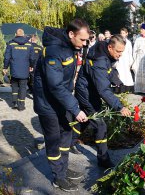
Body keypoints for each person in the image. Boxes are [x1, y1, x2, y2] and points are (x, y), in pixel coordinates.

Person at [33, 18, 89, 192]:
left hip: (61, 102)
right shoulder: (53, 51)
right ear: (71, 34)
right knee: (54, 140)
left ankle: (63, 168)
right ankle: (58, 177)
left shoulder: (70, 47)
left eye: (86, 40)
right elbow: (55, 85)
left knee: (66, 134)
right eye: (82, 39)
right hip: (48, 105)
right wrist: (75, 108)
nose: (85, 43)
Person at [75, 35, 131, 168]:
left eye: (122, 51)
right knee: (100, 125)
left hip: (91, 90)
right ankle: (103, 159)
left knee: (85, 120)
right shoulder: (99, 61)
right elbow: (104, 90)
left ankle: (67, 141)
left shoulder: (104, 50)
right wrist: (120, 107)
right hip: (86, 92)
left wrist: (117, 81)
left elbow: (109, 69)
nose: (120, 55)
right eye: (118, 51)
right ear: (110, 47)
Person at [3, 29, 35, 111]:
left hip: (14, 69)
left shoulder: (11, 43)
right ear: (24, 34)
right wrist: (31, 65)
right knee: (23, 87)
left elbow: (7, 57)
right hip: (24, 69)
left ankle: (14, 103)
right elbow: (32, 57)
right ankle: (21, 106)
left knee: (14, 86)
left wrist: (5, 67)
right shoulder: (29, 44)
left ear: (15, 34)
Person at [132, 23, 145, 93]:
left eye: (142, 29)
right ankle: (138, 89)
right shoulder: (138, 38)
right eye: (141, 29)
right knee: (138, 73)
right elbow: (134, 50)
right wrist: (134, 59)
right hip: (138, 58)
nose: (141, 31)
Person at [116, 28, 134, 93]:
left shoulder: (128, 43)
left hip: (126, 60)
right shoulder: (118, 42)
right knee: (119, 74)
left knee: (125, 74)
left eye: (123, 33)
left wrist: (130, 63)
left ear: (127, 34)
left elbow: (130, 53)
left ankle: (126, 89)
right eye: (121, 33)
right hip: (119, 59)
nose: (122, 34)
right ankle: (118, 88)